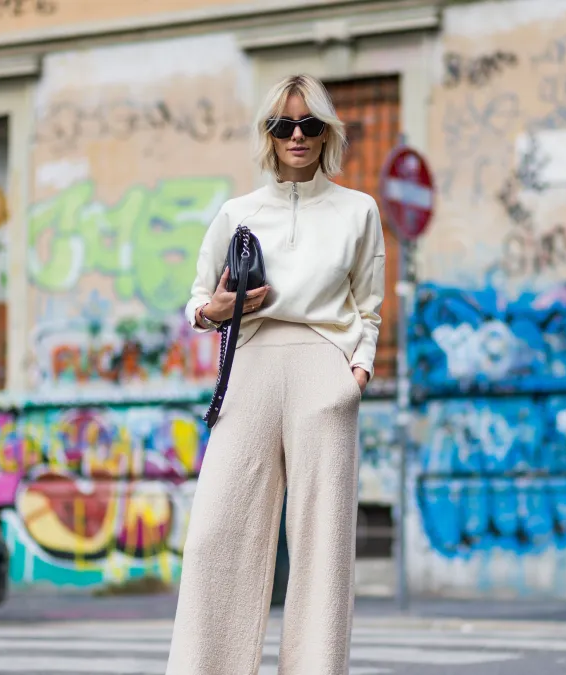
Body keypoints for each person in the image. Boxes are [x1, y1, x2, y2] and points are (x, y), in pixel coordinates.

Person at [165, 74, 386, 675]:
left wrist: (356, 374)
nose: (296, 135)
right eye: (283, 125)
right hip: (250, 367)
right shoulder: (238, 213)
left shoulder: (358, 210)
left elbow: (368, 307)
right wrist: (212, 311)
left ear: (326, 134)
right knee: (217, 534)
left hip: (324, 372)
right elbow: (196, 300)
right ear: (268, 133)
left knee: (322, 544)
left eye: (309, 124)